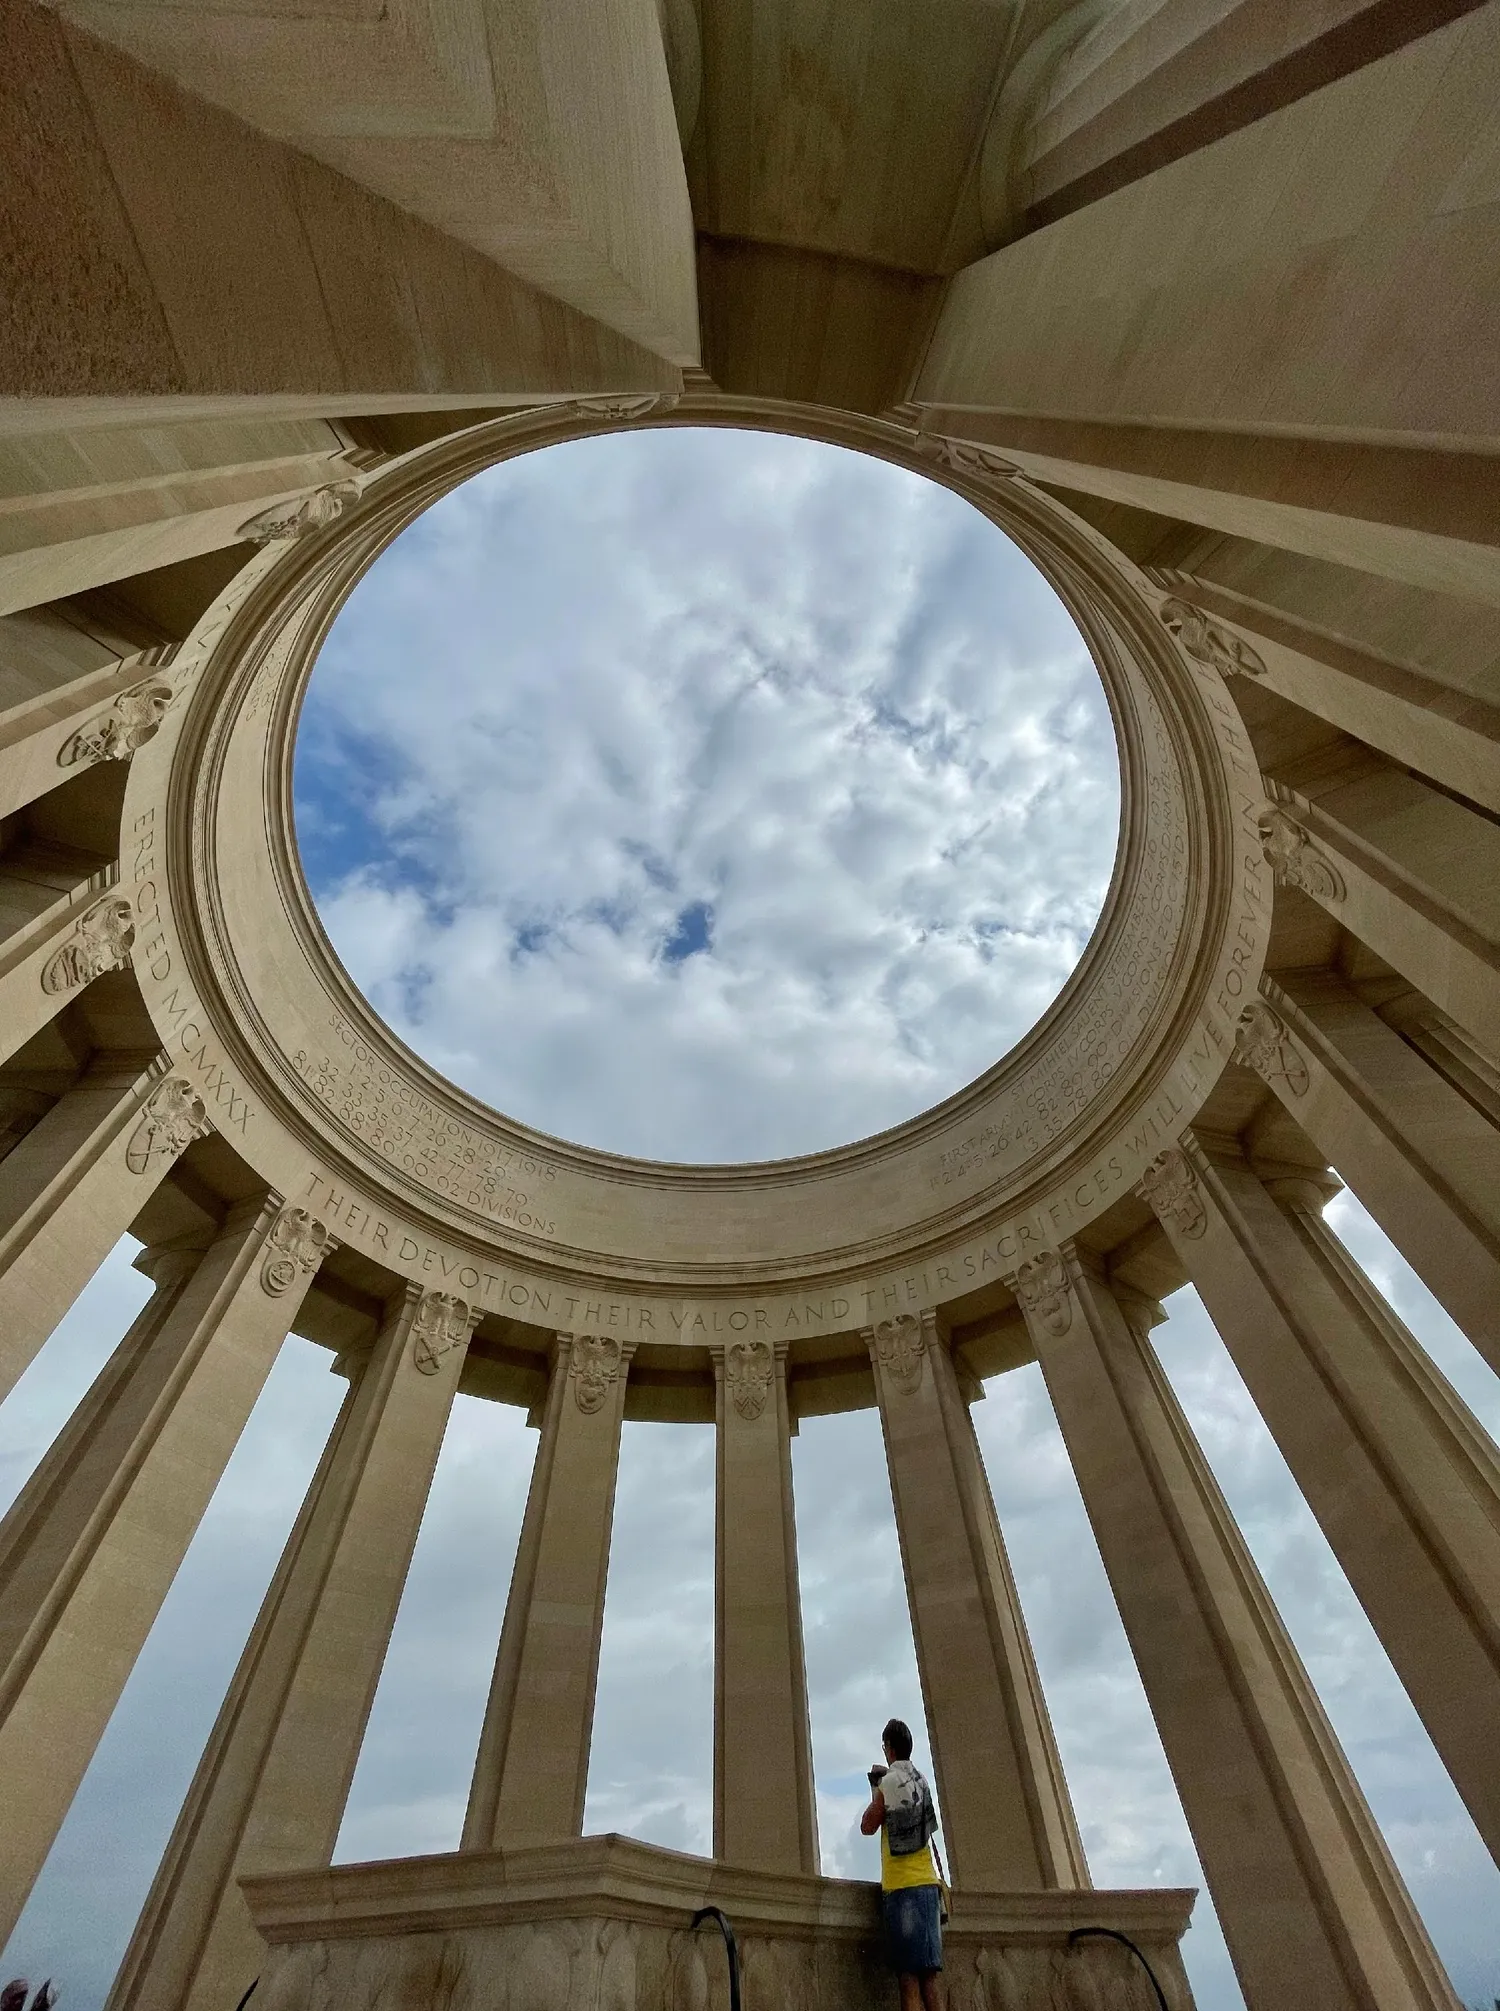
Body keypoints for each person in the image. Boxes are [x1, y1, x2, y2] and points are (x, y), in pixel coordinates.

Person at [860, 1717, 946, 2011]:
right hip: (928, 1886)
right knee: (930, 1982)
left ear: (890, 1749)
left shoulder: (889, 1782)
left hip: (903, 1889)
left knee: (908, 1980)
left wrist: (877, 1790)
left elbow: (868, 1825)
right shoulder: (921, 1781)